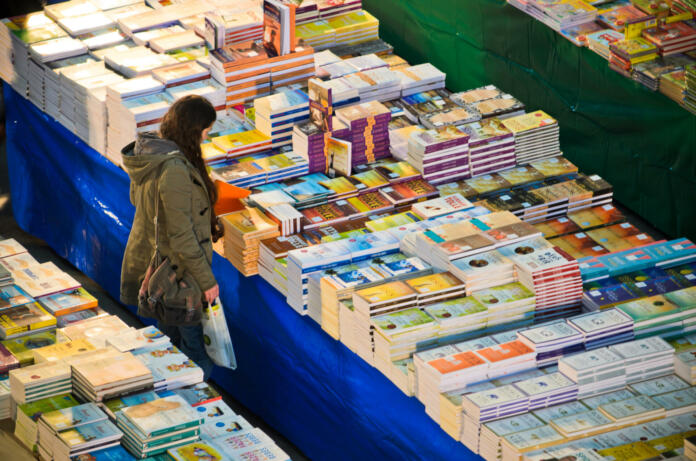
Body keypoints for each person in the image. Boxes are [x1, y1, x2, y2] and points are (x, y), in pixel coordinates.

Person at [120, 95, 223, 381]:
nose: (208, 135)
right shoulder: (175, 170)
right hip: (178, 276)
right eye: (206, 129)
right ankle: (193, 408)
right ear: (193, 130)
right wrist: (207, 281)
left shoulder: (151, 153)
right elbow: (182, 236)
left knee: (170, 348)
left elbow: (137, 200)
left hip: (161, 270)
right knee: (197, 356)